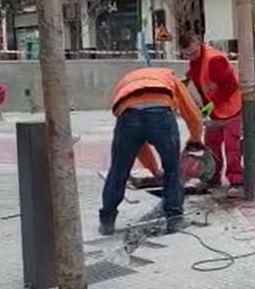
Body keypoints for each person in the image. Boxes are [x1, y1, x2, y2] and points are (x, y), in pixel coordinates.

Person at [98, 67, 203, 235]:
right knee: (173, 170)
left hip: (128, 115)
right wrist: (195, 138)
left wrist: (154, 170)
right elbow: (192, 114)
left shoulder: (128, 80)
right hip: (160, 114)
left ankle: (107, 222)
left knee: (118, 170)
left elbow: (138, 145)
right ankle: (174, 220)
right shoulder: (171, 78)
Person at [178, 31, 243, 192]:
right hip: (214, 111)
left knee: (231, 148)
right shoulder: (195, 62)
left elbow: (231, 86)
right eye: (188, 55)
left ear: (199, 42)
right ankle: (213, 178)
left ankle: (237, 182)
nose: (192, 56)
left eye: (193, 52)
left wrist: (213, 104)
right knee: (211, 146)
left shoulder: (215, 60)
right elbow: (197, 79)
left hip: (230, 110)